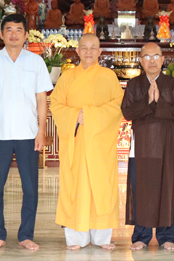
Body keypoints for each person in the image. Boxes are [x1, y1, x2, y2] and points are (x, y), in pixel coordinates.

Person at [0, 14, 52, 252]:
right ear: (1, 34)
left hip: (28, 134)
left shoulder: (36, 62)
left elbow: (42, 99)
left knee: (30, 188)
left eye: (18, 30)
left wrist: (41, 131)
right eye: (9, 29)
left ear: (26, 34)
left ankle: (26, 235)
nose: (13, 34)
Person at [51, 34, 124, 250]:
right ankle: (76, 238)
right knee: (74, 187)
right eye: (84, 47)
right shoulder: (67, 77)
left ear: (100, 52)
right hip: (74, 142)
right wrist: (75, 115)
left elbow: (117, 105)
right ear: (77, 51)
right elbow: (55, 104)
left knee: (101, 186)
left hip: (100, 143)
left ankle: (102, 238)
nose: (89, 52)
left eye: (93, 48)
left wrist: (90, 116)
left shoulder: (108, 76)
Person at [121, 42, 174, 251]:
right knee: (142, 189)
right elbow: (127, 112)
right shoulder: (133, 85)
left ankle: (166, 236)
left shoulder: (173, 84)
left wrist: (159, 103)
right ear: (140, 60)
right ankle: (141, 236)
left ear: (163, 59)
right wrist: (148, 101)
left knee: (166, 189)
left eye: (156, 56)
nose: (152, 61)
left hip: (166, 145)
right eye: (147, 57)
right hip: (141, 145)